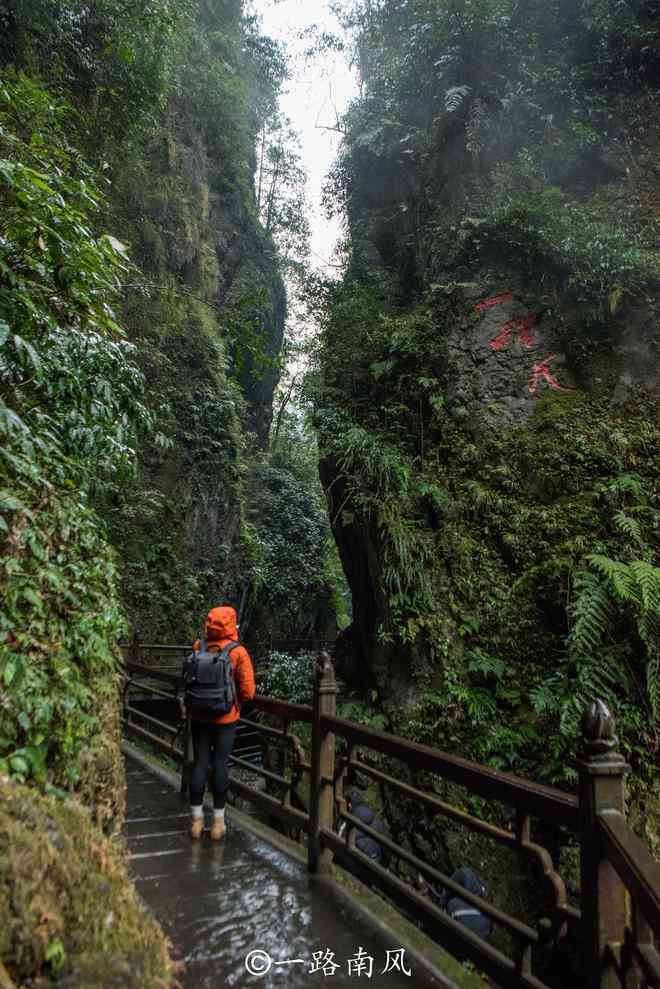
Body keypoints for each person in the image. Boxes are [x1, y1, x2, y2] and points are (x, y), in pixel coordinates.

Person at [183, 605, 255, 841]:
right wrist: (236, 702)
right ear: (232, 626)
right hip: (225, 718)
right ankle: (217, 825)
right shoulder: (237, 652)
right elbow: (248, 691)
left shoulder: (198, 647)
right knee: (221, 765)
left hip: (198, 716)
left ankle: (195, 822)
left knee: (200, 764)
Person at [343, 787, 388, 864]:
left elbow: (347, 838)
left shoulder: (353, 817)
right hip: (378, 857)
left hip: (366, 859)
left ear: (350, 803)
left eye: (348, 802)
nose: (348, 805)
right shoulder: (372, 814)